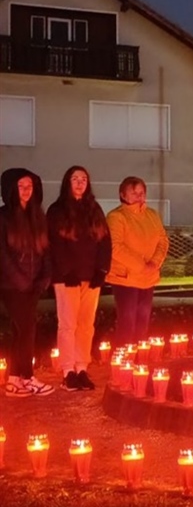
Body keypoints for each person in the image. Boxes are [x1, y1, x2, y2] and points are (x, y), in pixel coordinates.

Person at [47, 166, 111, 391]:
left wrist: (101, 271)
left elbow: (105, 242)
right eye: (75, 179)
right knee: (68, 324)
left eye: (84, 178)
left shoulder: (94, 209)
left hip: (90, 277)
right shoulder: (57, 211)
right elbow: (55, 244)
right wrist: (67, 272)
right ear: (67, 182)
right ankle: (68, 371)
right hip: (67, 279)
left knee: (86, 325)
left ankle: (82, 367)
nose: (80, 182)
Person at [0, 168, 54, 396]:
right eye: (21, 186)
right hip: (12, 286)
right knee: (27, 329)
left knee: (20, 331)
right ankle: (27, 376)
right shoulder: (3, 217)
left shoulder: (36, 215)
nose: (26, 191)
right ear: (12, 189)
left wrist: (44, 277)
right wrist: (20, 280)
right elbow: (3, 254)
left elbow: (45, 250)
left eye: (29, 186)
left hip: (33, 285)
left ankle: (14, 379)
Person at [106, 177, 169, 347]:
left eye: (141, 193)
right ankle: (124, 360)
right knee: (127, 321)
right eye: (134, 193)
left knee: (143, 320)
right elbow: (115, 247)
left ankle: (141, 358)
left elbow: (163, 241)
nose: (138, 197)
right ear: (122, 194)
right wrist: (142, 266)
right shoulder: (116, 217)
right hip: (125, 278)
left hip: (148, 278)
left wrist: (155, 263)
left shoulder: (152, 215)